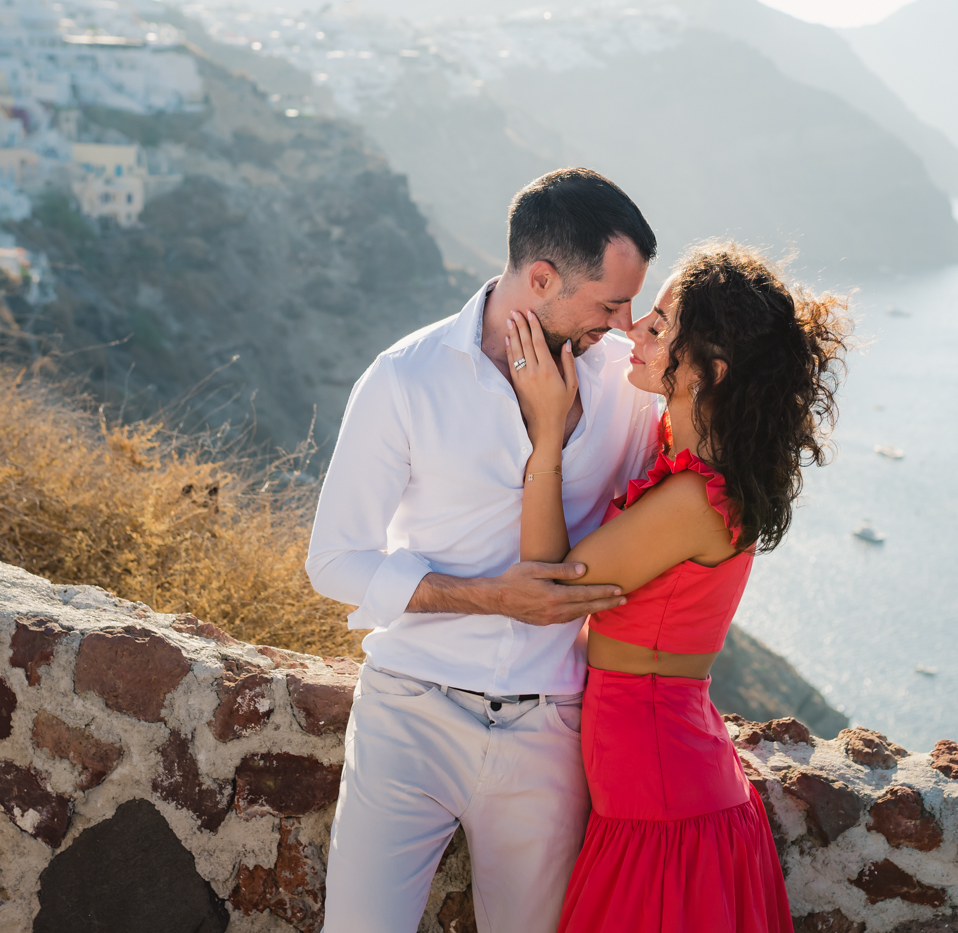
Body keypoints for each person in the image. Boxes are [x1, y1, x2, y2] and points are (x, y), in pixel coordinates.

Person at [306, 168, 663, 933]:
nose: (627, 322)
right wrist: (488, 596)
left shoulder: (625, 389)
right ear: (540, 277)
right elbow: (334, 560)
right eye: (610, 302)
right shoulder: (406, 376)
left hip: (553, 728)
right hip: (409, 712)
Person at [499, 242, 848, 932]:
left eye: (659, 328)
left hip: (660, 796)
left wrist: (545, 432)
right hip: (662, 782)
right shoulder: (694, 461)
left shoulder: (694, 498)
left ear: (707, 371)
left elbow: (554, 585)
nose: (636, 331)